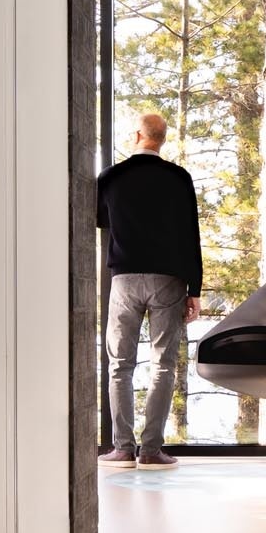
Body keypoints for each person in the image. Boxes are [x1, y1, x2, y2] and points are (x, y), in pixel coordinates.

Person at [96, 111, 202, 468]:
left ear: (137, 135)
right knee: (163, 365)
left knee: (120, 365)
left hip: (124, 279)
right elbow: (192, 236)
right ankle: (152, 450)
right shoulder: (179, 178)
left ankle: (122, 448)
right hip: (169, 280)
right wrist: (195, 289)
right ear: (162, 139)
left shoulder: (111, 177)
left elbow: (101, 219)